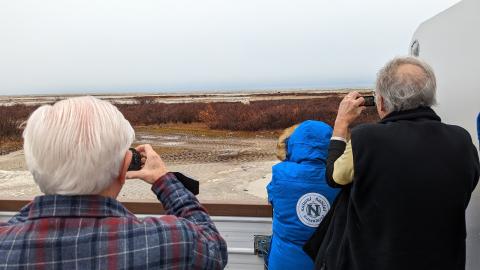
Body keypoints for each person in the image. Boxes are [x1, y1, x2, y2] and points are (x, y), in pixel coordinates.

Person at [0, 96, 228, 269]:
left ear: (34, 167)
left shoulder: (6, 242)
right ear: (123, 169)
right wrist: (163, 178)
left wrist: (49, 192)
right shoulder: (170, 240)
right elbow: (214, 248)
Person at [306, 57, 479, 270]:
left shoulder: (366, 139)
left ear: (382, 102)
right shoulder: (461, 139)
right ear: (430, 96)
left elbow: (334, 177)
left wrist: (341, 123)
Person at [267, 120, 339, 270]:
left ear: (293, 143)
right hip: (327, 262)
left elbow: (273, 198)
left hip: (284, 263)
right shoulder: (340, 177)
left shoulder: (280, 173)